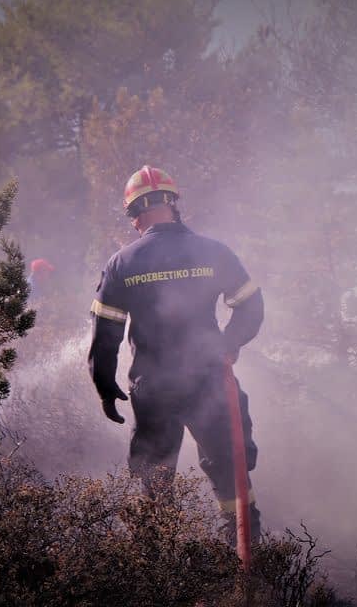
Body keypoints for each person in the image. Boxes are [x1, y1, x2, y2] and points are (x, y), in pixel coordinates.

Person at [87, 165, 264, 543]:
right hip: (210, 381)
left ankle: (163, 572)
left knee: (155, 484)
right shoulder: (213, 251)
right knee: (232, 476)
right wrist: (227, 343)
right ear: (174, 205)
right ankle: (249, 569)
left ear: (134, 214)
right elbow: (251, 307)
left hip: (153, 391)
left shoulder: (122, 263)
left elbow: (106, 336)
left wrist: (105, 386)